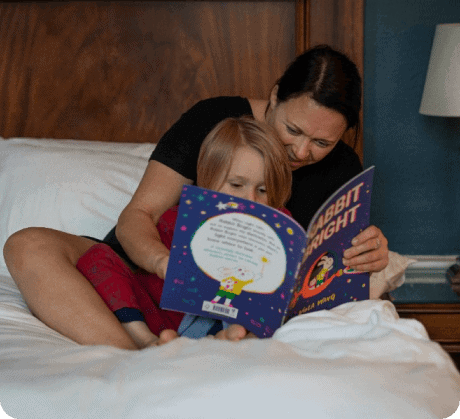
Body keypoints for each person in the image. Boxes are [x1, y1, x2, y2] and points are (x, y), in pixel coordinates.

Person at [4, 45, 389, 350]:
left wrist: (369, 253)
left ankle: (180, 354)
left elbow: (327, 268)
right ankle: (137, 357)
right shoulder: (214, 120)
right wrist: (162, 262)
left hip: (242, 298)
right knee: (27, 245)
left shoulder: (341, 169)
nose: (301, 153)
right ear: (274, 96)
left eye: (322, 142)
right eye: (293, 130)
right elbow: (139, 214)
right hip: (153, 272)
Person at [74, 116, 293, 348]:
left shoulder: (280, 224)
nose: (250, 199)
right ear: (208, 179)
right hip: (165, 318)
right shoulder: (178, 219)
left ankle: (226, 339)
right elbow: (150, 277)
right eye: (236, 185)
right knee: (97, 257)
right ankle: (145, 339)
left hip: (235, 317)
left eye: (263, 190)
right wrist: (165, 263)